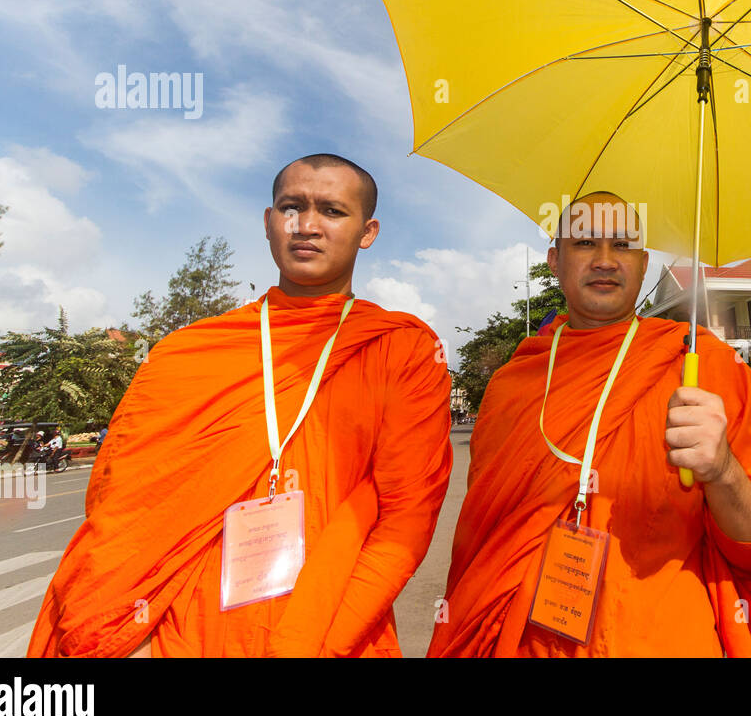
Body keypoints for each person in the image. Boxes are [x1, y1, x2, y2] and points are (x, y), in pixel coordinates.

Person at [28, 154, 452, 658]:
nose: (308, 226)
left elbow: (405, 519)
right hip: (184, 629)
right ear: (269, 222)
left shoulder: (401, 349)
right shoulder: (188, 352)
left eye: (333, 211)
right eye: (291, 207)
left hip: (331, 629)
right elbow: (122, 508)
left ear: (368, 231)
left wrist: (318, 645)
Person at [427, 192, 751, 657]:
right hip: (523, 640)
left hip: (659, 639)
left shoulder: (702, 368)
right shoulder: (513, 385)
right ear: (555, 261)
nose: (605, 261)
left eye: (622, 246)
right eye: (585, 244)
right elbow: (481, 539)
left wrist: (722, 471)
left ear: (643, 265)